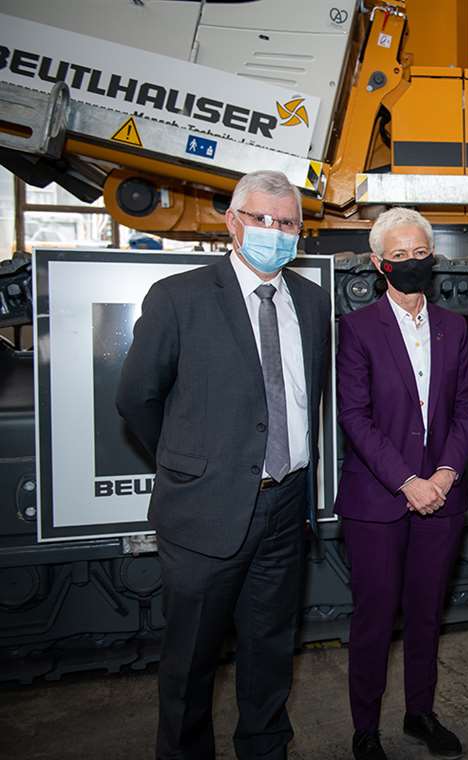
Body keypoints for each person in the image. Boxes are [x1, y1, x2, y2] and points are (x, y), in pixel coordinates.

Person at [116, 170, 332, 760]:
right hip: (205, 511)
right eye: (261, 218)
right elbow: (136, 397)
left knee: (269, 652)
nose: (275, 231)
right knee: (190, 665)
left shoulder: (312, 304)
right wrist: (193, 466)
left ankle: (266, 750)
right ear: (233, 222)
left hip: (286, 509)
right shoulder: (179, 296)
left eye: (287, 222)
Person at [335, 207, 468, 760]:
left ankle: (420, 713)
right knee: (374, 617)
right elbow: (354, 416)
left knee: (426, 612)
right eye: (400, 257)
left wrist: (443, 474)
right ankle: (365, 729)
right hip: (378, 501)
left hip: (442, 497)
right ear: (379, 263)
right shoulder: (357, 328)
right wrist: (406, 482)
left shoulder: (455, 326)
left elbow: (465, 411)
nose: (412, 263)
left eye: (421, 254)